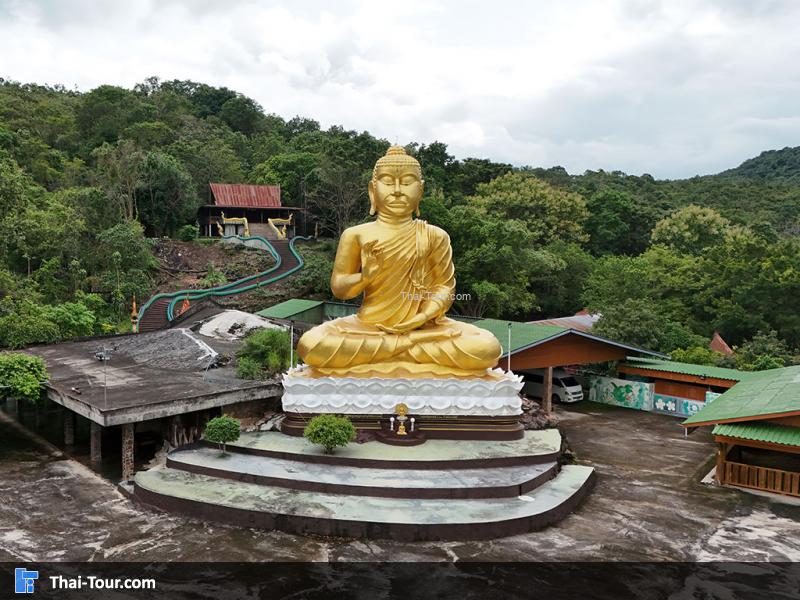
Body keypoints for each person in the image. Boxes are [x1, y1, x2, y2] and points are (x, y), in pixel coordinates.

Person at [297, 146, 501, 378]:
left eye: (406, 182)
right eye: (387, 182)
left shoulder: (435, 236)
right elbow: (340, 289)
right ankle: (408, 346)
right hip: (368, 327)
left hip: (423, 327)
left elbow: (444, 287)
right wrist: (365, 277)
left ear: (420, 190)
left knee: (486, 348)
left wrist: (421, 318)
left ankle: (397, 348)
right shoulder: (356, 235)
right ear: (373, 190)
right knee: (312, 345)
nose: (396, 191)